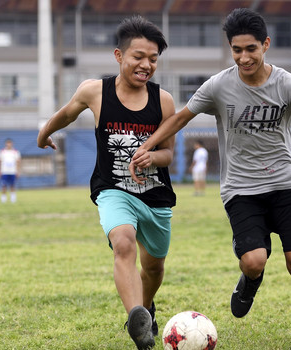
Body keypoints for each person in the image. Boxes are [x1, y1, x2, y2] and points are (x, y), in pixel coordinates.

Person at [130, 8, 291, 346]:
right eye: (236, 50)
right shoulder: (219, 86)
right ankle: (250, 280)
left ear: (265, 45)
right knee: (254, 261)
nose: (243, 57)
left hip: (287, 183)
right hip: (241, 188)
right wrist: (148, 146)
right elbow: (180, 118)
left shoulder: (287, 83)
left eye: (250, 49)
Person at [36, 16, 174, 350]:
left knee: (153, 268)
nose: (146, 65)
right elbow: (68, 112)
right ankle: (137, 321)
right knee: (123, 242)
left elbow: (169, 153)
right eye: (138, 57)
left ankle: (146, 306)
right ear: (119, 56)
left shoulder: (164, 101)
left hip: (155, 196)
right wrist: (44, 133)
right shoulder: (94, 91)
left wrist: (152, 157)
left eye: (153, 59)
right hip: (113, 189)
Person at [0, 138, 21, 204]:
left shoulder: (15, 152)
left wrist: (18, 171)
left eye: (10, 143)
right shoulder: (2, 152)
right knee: (3, 185)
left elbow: (18, 162)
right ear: (5, 144)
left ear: (12, 144)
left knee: (12, 185)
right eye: (7, 143)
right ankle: (3, 199)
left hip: (12, 171)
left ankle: (13, 199)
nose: (9, 144)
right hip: (4, 171)